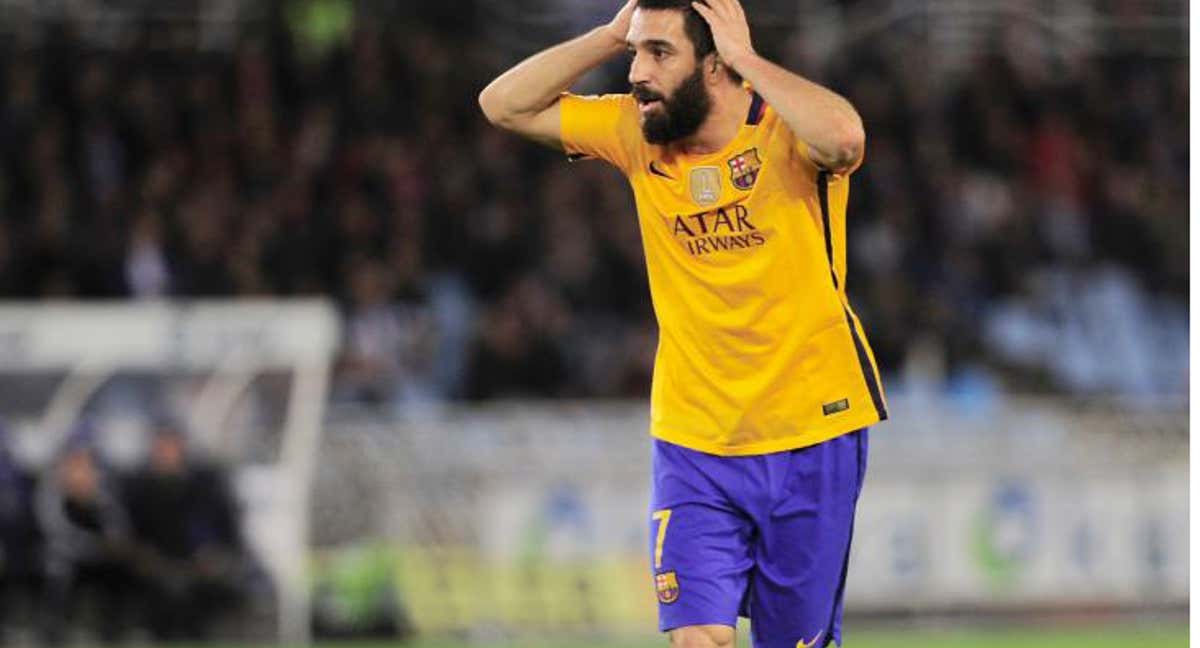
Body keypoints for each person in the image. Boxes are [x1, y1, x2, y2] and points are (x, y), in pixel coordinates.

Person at [479, 1, 887, 646]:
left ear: (717, 64)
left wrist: (750, 58)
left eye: (659, 53)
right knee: (697, 637)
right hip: (695, 437)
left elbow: (846, 140)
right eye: (637, 54)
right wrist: (614, 33)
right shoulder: (635, 131)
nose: (638, 71)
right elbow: (504, 105)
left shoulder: (783, 128)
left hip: (813, 426)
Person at [121, 420, 248, 641]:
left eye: (171, 446)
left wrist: (216, 555)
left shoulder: (206, 484)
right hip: (155, 570)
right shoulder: (138, 488)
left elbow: (227, 531)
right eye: (162, 447)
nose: (167, 453)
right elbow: (131, 537)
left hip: (200, 567)